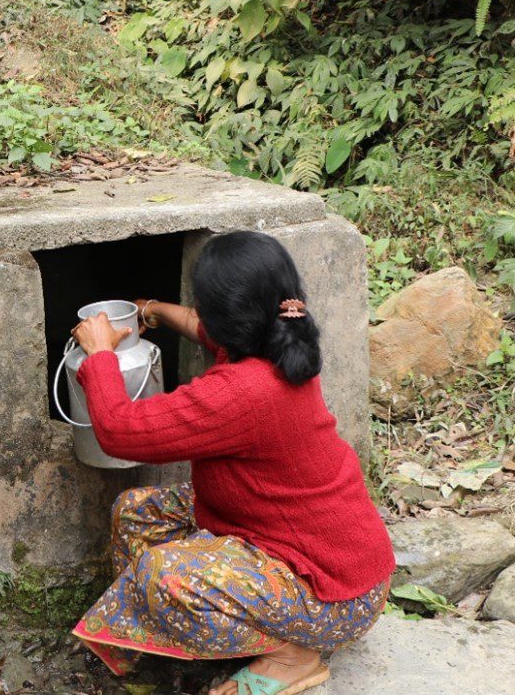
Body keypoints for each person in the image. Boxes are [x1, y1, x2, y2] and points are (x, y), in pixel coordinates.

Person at [68, 231, 394, 695]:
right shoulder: (281, 338)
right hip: (298, 542)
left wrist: (100, 356)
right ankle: (164, 643)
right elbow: (202, 327)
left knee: (164, 575)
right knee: (136, 511)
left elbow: (119, 431)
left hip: (335, 594)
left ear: (231, 318)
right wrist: (152, 311)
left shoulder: (241, 392)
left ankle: (292, 654)